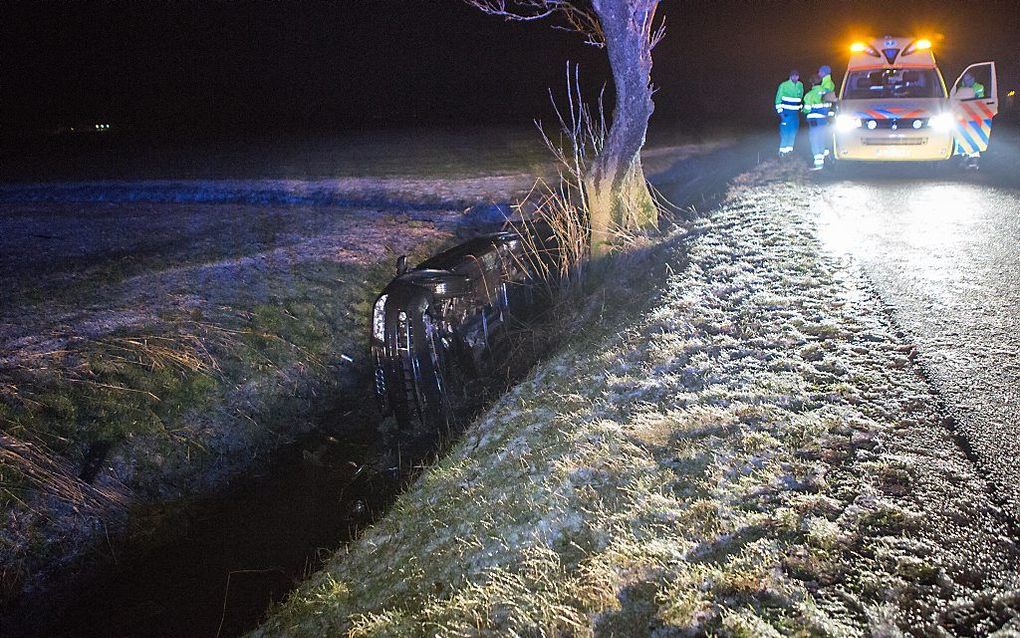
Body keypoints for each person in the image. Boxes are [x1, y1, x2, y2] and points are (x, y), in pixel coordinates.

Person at [802, 75, 833, 170]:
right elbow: (831, 107)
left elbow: (807, 109)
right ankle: (828, 160)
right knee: (824, 138)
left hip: (814, 121)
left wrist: (803, 110)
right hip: (825, 121)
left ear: (812, 83)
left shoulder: (810, 95)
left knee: (815, 140)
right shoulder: (828, 93)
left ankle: (818, 163)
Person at [775, 70, 804, 157]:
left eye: (797, 76)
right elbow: (778, 100)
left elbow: (800, 99)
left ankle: (789, 151)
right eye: (793, 76)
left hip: (795, 114)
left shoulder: (800, 85)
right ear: (790, 76)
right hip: (786, 114)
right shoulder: (783, 85)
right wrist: (781, 113)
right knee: (785, 132)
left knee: (793, 132)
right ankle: (782, 151)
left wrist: (801, 109)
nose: (795, 78)